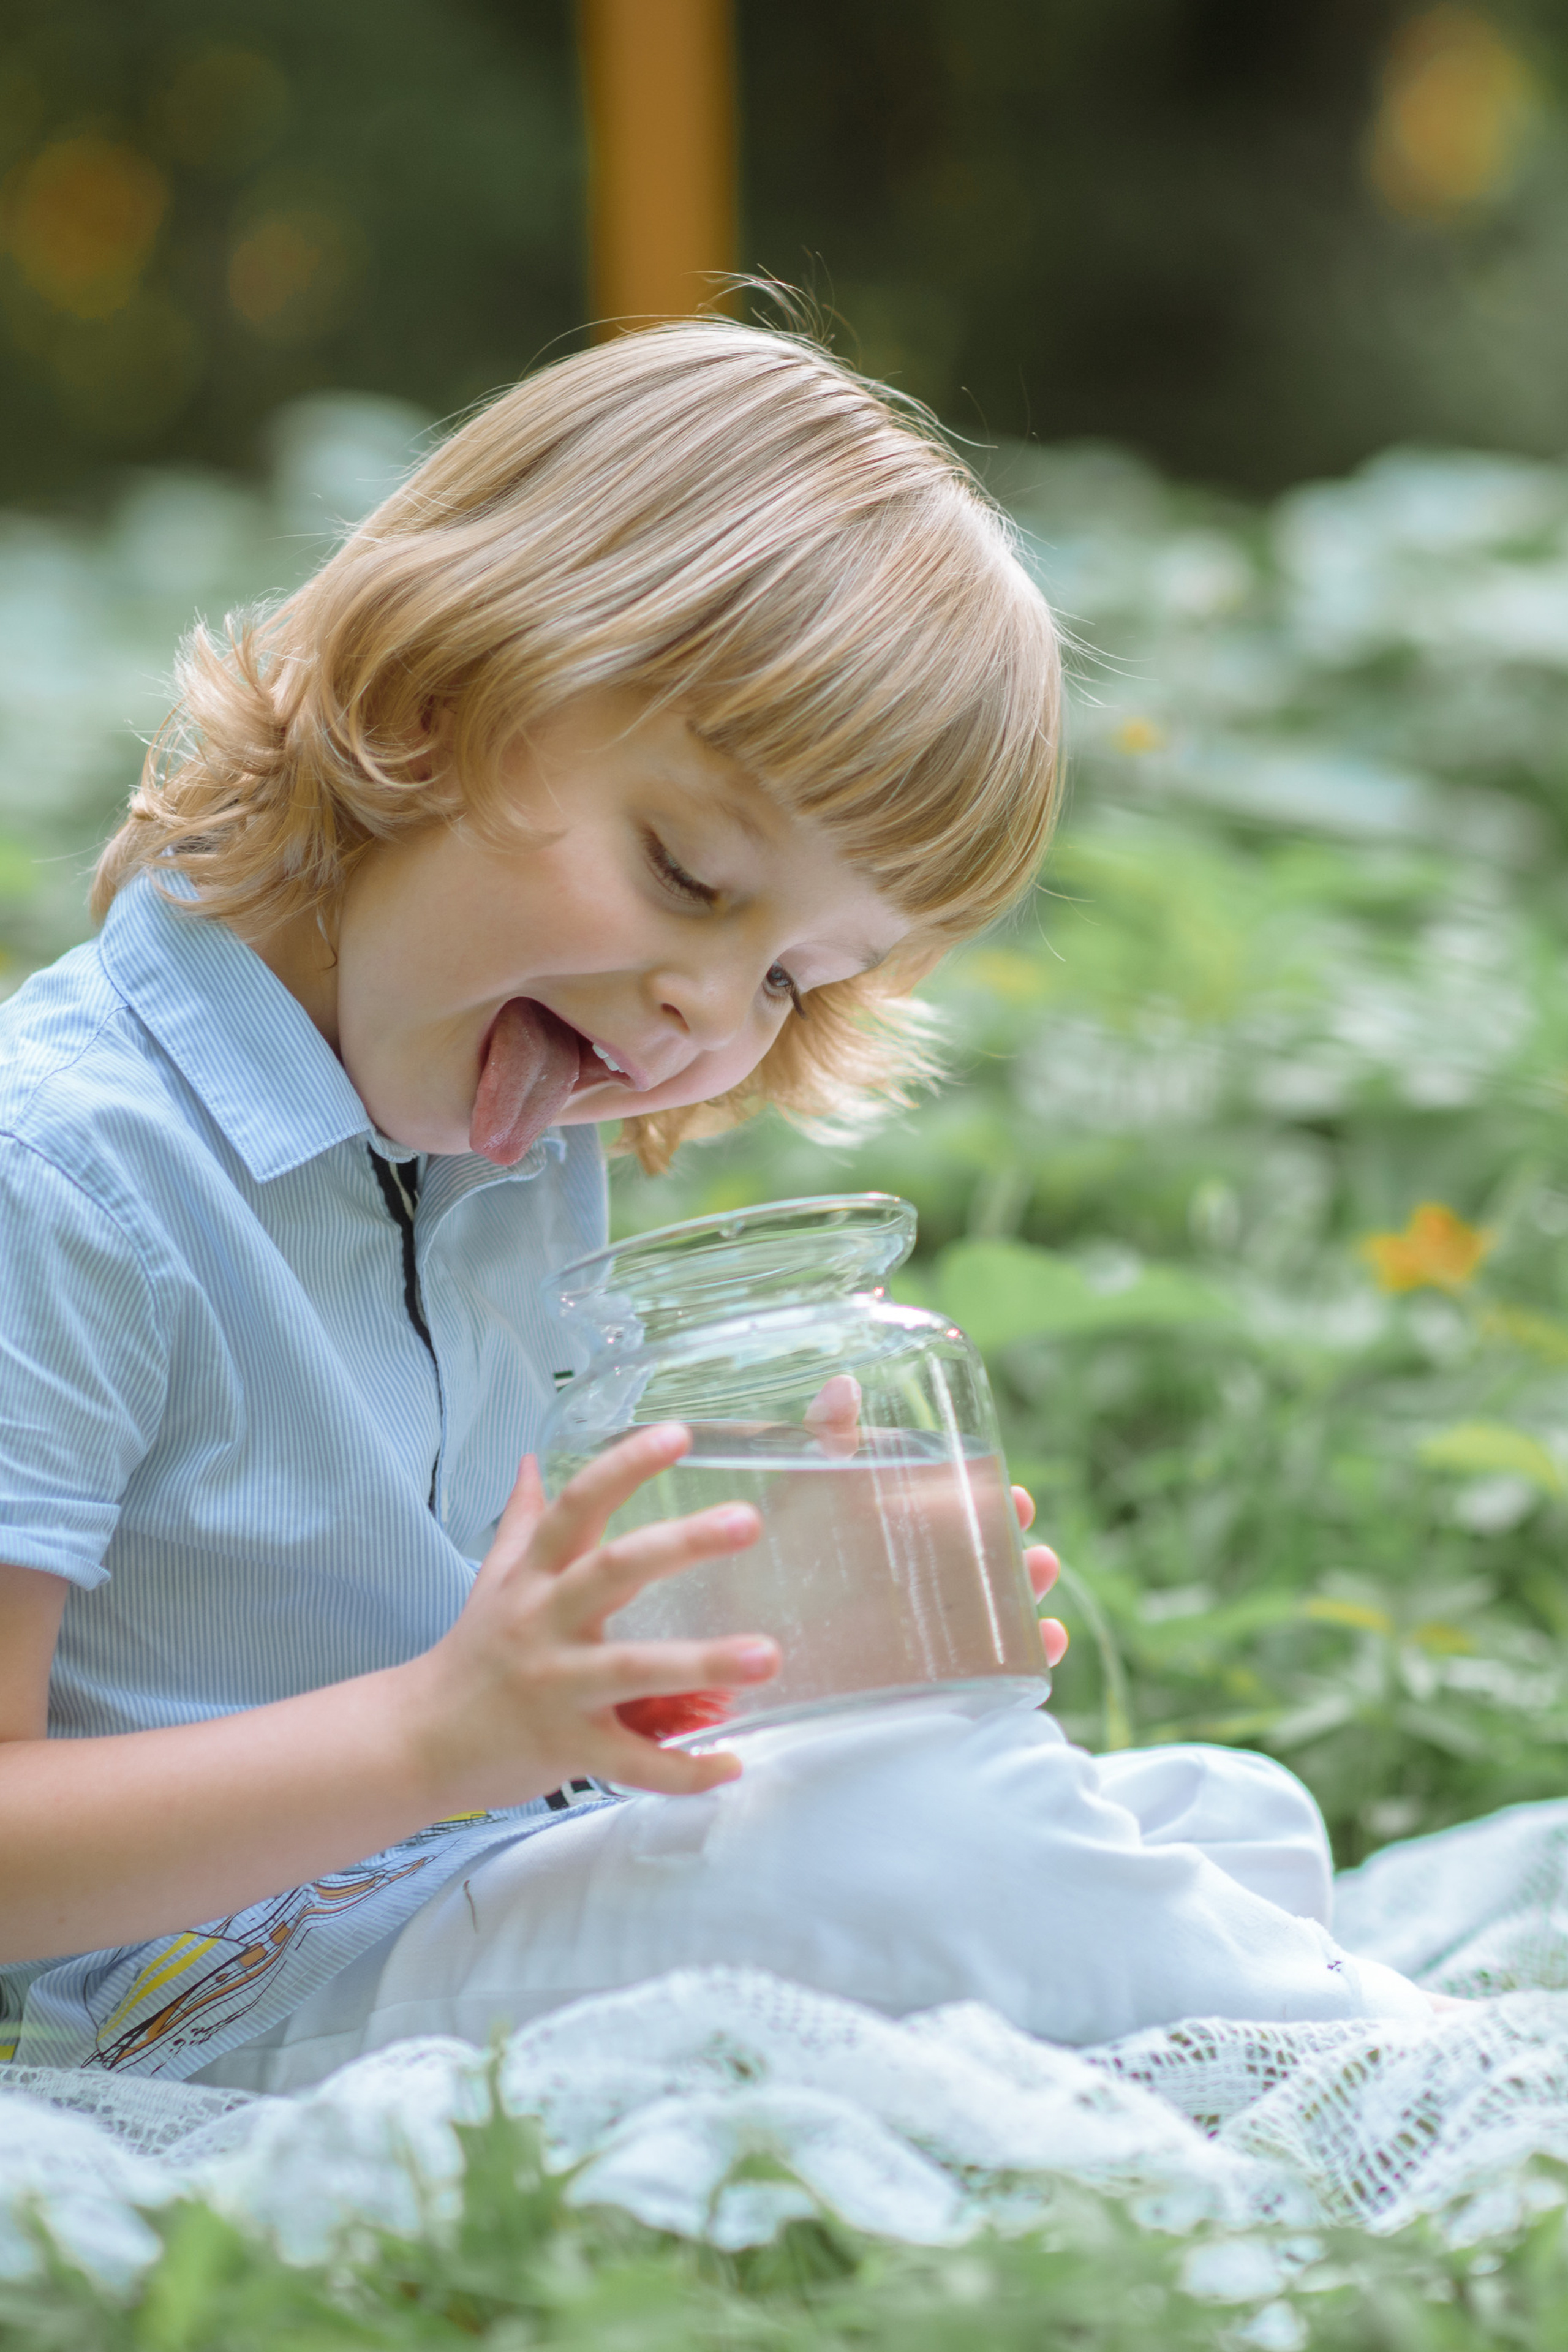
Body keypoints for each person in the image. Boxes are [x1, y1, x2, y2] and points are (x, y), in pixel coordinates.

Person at [0, 321, 1436, 2090]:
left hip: (474, 1877)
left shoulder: (496, 1144)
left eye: (791, 982)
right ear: (438, 697)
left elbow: (517, 1686)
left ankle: (1213, 1976)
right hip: (229, 1993)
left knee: (1222, 1809)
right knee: (953, 1848)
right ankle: (1453, 2082)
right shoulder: (69, 1168)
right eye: (689, 874)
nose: (704, 1014)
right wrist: (442, 1738)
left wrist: (760, 1641)